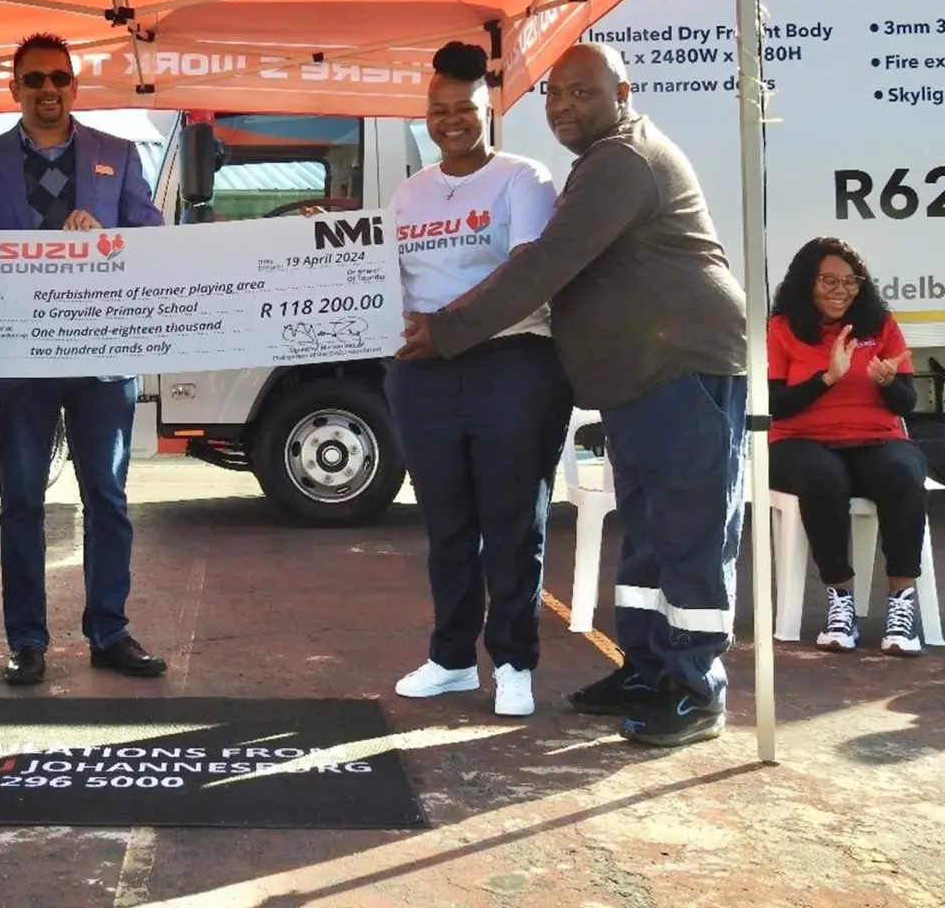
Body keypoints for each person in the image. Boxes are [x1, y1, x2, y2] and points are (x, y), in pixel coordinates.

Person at [400, 42, 747, 749]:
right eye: (555, 95)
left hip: (681, 366)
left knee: (689, 533)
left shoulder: (623, 161)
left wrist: (448, 331)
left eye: (582, 93)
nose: (563, 107)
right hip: (641, 375)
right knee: (647, 537)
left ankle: (695, 686)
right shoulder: (601, 162)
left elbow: (544, 269)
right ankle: (648, 669)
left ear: (623, 91)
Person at [0, 32, 168, 686]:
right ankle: (26, 642)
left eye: (59, 79)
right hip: (21, 362)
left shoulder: (118, 155)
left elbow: (153, 239)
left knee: (106, 496)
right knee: (20, 500)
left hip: (103, 358)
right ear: (14, 88)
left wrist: (109, 238)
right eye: (35, 80)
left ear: (73, 87)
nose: (48, 90)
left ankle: (110, 632)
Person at [386, 42, 574, 719]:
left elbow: (527, 273)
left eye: (463, 108)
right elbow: (389, 282)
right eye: (438, 111)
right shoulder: (409, 192)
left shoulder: (524, 179)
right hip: (425, 375)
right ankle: (452, 658)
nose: (451, 121)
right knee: (447, 524)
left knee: (513, 521)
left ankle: (515, 661)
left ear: (487, 110)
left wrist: (454, 325)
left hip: (511, 365)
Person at [767, 237, 927, 655]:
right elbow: (775, 407)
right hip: (800, 442)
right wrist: (826, 379)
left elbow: (906, 403)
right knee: (822, 477)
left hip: (875, 439)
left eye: (850, 280)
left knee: (904, 472)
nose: (841, 290)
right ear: (808, 283)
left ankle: (902, 605)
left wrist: (889, 383)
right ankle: (840, 600)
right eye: (829, 281)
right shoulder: (781, 329)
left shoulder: (880, 326)